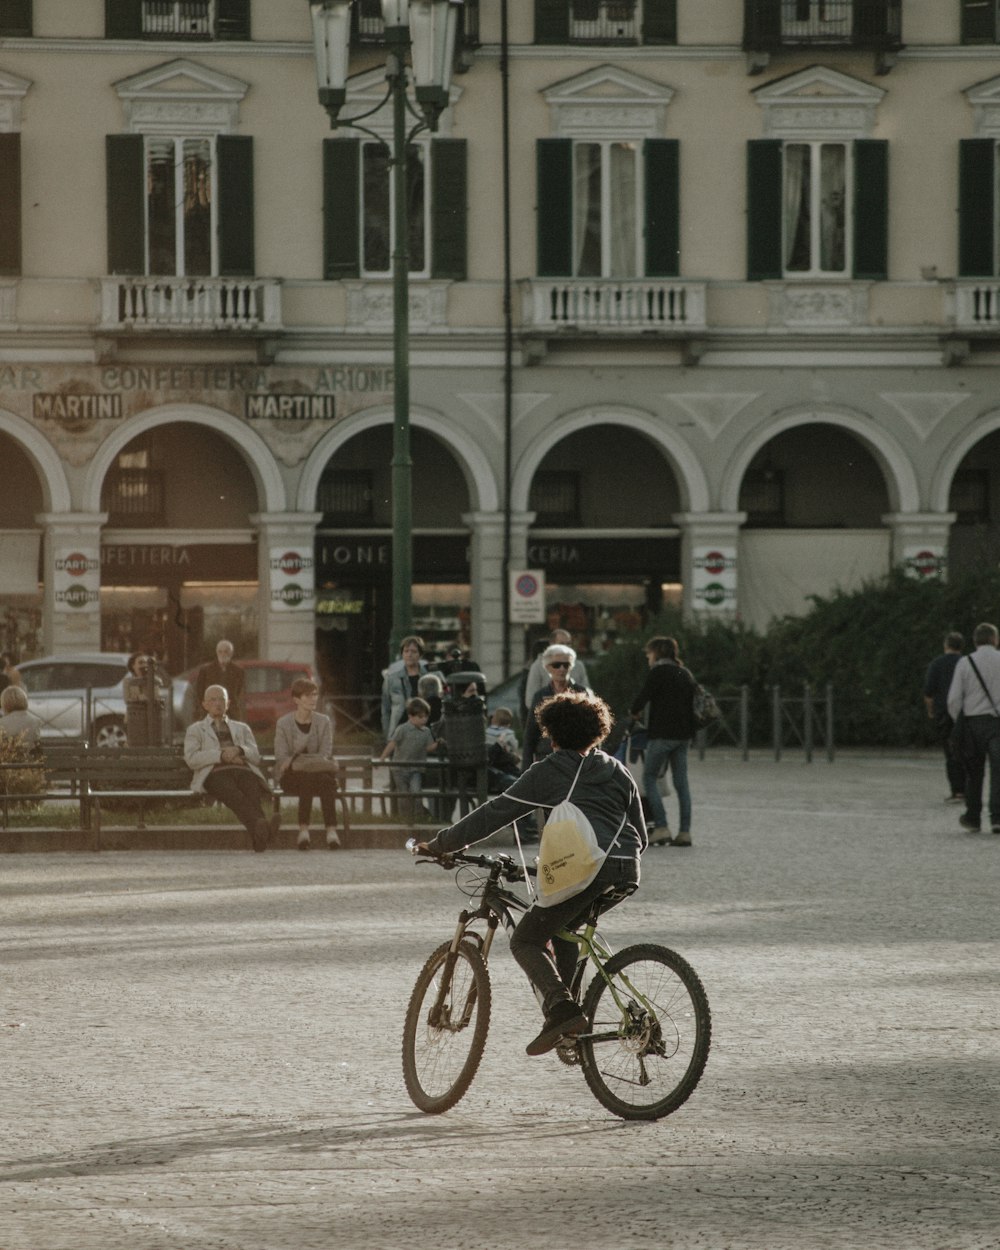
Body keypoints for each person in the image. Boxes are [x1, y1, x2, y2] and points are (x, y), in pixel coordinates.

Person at [416, 691, 646, 1056]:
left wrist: (443, 843)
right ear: (598, 732)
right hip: (627, 867)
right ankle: (569, 1031)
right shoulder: (617, 769)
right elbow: (641, 832)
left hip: (591, 868)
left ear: (551, 734)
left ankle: (561, 1009)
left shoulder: (554, 769)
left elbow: (497, 812)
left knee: (525, 939)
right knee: (564, 929)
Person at [184, 684, 279, 852]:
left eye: (222, 699)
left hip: (243, 770)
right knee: (235, 795)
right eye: (212, 699)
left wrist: (239, 750)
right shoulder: (196, 730)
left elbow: (255, 756)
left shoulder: (242, 728)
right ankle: (267, 832)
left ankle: (260, 839)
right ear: (204, 704)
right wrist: (220, 755)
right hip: (214, 774)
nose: (217, 703)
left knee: (252, 791)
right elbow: (191, 759)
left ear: (228, 704)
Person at [629, 635, 697, 848]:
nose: (648, 657)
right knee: (681, 783)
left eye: (649, 653)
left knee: (649, 778)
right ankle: (685, 832)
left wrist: (633, 713)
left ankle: (661, 827)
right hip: (683, 736)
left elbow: (641, 699)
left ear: (656, 653)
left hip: (661, 735)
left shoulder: (657, 673)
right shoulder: (684, 673)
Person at [273, 677, 340, 851]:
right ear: (296, 699)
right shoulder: (283, 723)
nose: (313, 699)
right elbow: (281, 757)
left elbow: (326, 752)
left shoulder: (323, 721)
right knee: (311, 779)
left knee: (324, 780)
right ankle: (305, 830)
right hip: (291, 776)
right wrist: (302, 759)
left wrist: (299, 759)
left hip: (318, 773)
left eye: (315, 695)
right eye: (307, 695)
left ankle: (330, 832)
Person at [947, 621, 1000, 834]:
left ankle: (973, 816)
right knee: (999, 772)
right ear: (995, 640)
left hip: (973, 723)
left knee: (974, 771)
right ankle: (997, 817)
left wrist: (959, 720)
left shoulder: (965, 662)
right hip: (998, 723)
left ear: (975, 640)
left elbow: (954, 699)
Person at [521, 644, 588, 770]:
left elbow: (593, 728)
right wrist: (526, 768)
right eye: (556, 665)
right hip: (546, 756)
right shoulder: (540, 696)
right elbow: (530, 733)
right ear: (548, 668)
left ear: (571, 666)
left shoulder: (582, 693)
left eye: (566, 665)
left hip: (576, 758)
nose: (561, 669)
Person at [923, 631, 966, 804]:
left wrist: (931, 711)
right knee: (966, 752)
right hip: (965, 712)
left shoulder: (936, 664)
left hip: (944, 713)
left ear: (946, 645)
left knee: (950, 752)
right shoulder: (966, 663)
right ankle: (968, 789)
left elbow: (928, 693)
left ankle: (957, 791)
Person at [380, 696, 438, 823]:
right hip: (399, 769)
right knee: (403, 795)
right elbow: (393, 743)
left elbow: (428, 747)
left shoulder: (426, 731)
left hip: (416, 768)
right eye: (420, 717)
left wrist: (438, 743)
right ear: (411, 716)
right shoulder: (403, 729)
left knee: (416, 792)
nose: (424, 720)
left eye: (425, 717)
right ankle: (405, 817)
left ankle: (418, 816)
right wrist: (383, 758)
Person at [522, 629, 590, 714]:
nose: (565, 647)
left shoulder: (578, 666)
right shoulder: (538, 666)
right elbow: (530, 700)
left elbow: (588, 695)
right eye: (561, 643)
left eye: (568, 643)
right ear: (552, 644)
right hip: (547, 717)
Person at [381, 636, 428, 739]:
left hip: (424, 734)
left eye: (413, 651)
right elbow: (385, 710)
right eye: (406, 651)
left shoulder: (428, 678)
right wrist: (388, 736)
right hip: (399, 734)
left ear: (420, 654)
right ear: (402, 654)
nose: (409, 655)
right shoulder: (391, 679)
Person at [193, 640, 245, 722]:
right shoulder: (206, 670)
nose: (223, 654)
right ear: (216, 653)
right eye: (220, 651)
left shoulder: (238, 671)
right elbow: (199, 692)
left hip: (231, 714)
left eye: (226, 651)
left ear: (231, 653)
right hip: (210, 713)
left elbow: (239, 692)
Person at [123, 652, 167, 746]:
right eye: (140, 662)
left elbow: (156, 696)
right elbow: (127, 698)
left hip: (152, 717)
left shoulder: (154, 680)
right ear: (133, 666)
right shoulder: (128, 681)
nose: (143, 665)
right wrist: (139, 697)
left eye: (145, 663)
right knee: (135, 743)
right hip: (134, 718)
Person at [486, 706, 521, 793]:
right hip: (504, 761)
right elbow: (514, 745)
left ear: (493, 720)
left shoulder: (487, 731)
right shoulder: (508, 733)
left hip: (493, 762)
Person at [0, 684, 42, 751]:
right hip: (30, 760)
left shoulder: (2, 723)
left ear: (4, 703)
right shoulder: (36, 721)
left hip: (8, 760)